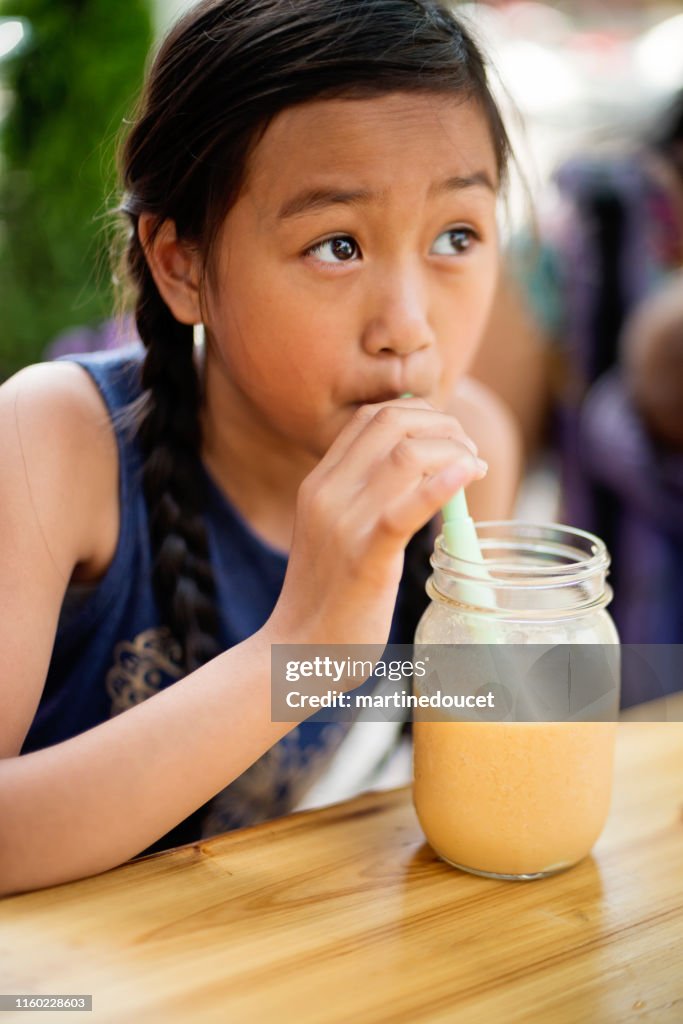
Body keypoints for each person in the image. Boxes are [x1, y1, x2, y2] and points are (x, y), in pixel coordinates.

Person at [0, 0, 520, 895]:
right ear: (181, 265)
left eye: (455, 236)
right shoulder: (51, 444)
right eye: (337, 245)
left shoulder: (471, 456)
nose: (407, 327)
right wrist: (305, 638)